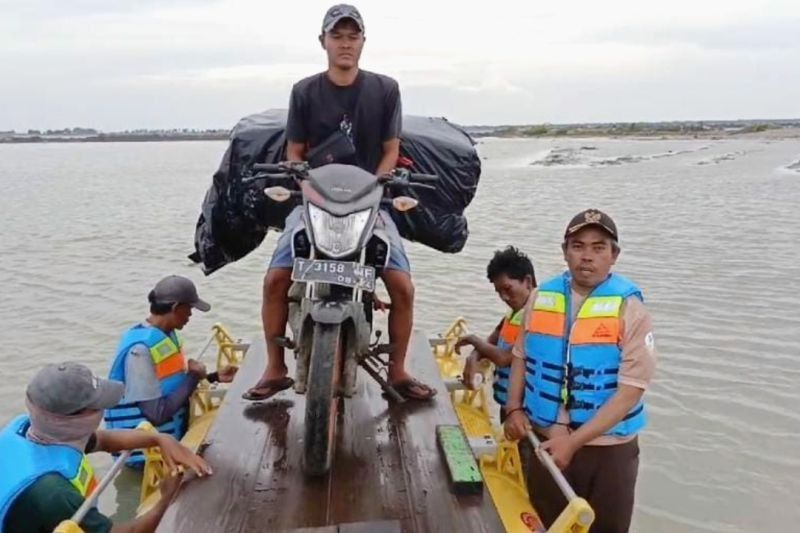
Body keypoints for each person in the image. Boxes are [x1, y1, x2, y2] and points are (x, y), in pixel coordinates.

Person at [244, 4, 436, 402]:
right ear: (323, 42)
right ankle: (275, 366)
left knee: (402, 287)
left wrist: (382, 181)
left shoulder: (385, 89)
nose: (345, 44)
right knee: (275, 279)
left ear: (363, 42)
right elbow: (295, 151)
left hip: (371, 202)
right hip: (315, 200)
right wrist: (298, 174)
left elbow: (390, 149)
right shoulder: (305, 91)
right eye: (337, 36)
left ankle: (398, 370)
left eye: (353, 36)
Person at [503, 209, 657, 533]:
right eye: (577, 246)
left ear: (614, 255)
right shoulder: (541, 297)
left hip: (609, 450)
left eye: (598, 247)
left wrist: (573, 443)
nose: (586, 257)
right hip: (545, 439)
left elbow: (631, 389)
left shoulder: (631, 308)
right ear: (564, 251)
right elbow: (520, 356)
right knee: (543, 523)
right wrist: (513, 408)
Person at [0, 362, 212, 533]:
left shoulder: (26, 428)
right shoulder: (53, 493)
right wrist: (167, 497)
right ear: (77, 419)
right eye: (96, 406)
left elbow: (104, 439)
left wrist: (159, 439)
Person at [105, 275, 236, 467]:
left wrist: (213, 377)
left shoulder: (167, 335)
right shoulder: (140, 352)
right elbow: (156, 414)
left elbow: (170, 387)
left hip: (173, 441)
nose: (190, 316)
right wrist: (192, 376)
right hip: (148, 458)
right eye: (189, 309)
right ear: (175, 307)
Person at [458, 246, 536, 415]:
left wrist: (472, 339)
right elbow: (491, 341)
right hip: (506, 403)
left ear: (528, 282)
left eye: (507, 289)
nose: (504, 297)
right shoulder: (514, 312)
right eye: (499, 292)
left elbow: (504, 358)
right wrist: (473, 357)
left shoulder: (538, 315)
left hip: (524, 408)